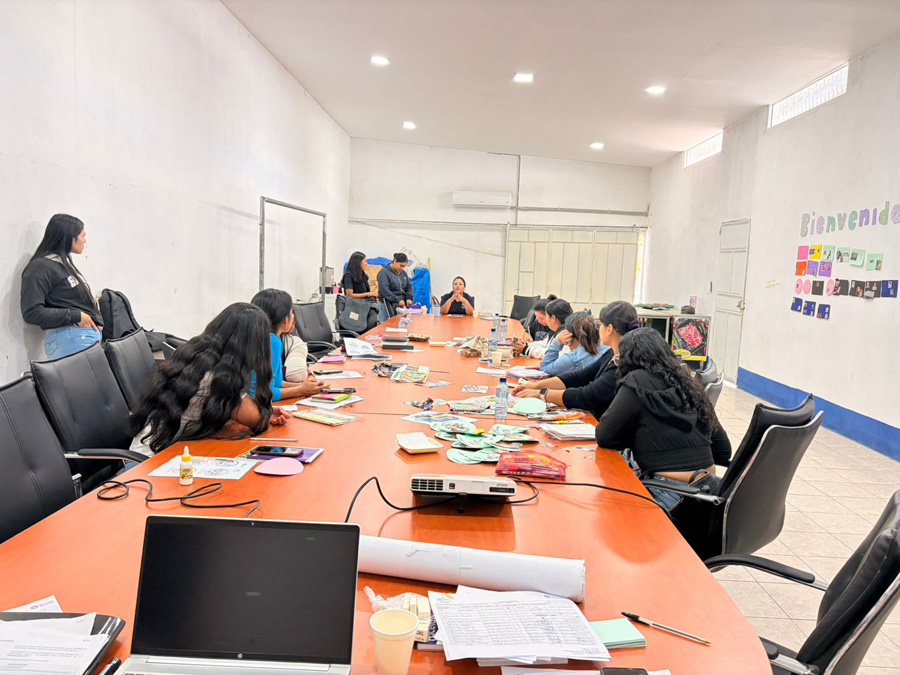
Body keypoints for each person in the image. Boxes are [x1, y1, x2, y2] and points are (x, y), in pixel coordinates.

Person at [594, 327, 731, 550]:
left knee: (602, 512)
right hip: (708, 492)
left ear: (628, 358)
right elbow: (724, 451)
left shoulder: (636, 380)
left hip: (668, 494)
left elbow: (605, 436)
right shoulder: (688, 383)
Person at [129, 303, 289, 456]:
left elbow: (243, 409)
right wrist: (265, 408)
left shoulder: (197, 358)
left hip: (156, 452)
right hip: (149, 464)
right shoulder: (217, 378)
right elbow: (256, 420)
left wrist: (267, 411)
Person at [514, 301, 638, 417]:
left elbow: (587, 395)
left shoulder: (622, 363)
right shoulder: (612, 353)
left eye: (600, 325)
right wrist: (534, 386)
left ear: (609, 329)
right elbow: (579, 377)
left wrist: (542, 394)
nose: (598, 328)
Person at [20, 213, 103, 359]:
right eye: (83, 236)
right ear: (70, 237)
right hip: (72, 338)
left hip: (79, 337)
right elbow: (31, 312)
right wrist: (75, 316)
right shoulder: (40, 267)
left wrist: (96, 319)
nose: (85, 241)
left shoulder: (61, 264)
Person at [251, 288, 325, 400]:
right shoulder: (272, 341)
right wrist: (301, 390)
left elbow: (276, 383)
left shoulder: (263, 338)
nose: (294, 316)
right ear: (286, 320)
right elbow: (266, 393)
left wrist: (303, 386)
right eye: (291, 312)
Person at [539, 313, 607, 377]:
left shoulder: (573, 358)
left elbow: (544, 369)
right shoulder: (607, 348)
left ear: (568, 335)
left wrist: (557, 342)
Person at [340, 251, 379, 332]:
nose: (366, 264)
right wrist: (369, 294)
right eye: (365, 261)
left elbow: (365, 293)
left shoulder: (363, 276)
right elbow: (350, 295)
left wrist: (373, 297)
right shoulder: (349, 276)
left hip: (364, 308)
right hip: (355, 309)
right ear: (358, 262)